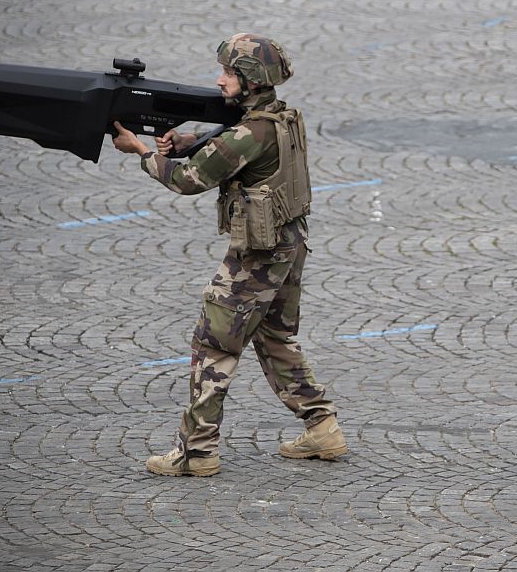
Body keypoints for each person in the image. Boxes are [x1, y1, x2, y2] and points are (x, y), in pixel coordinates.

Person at [111, 34, 347, 477]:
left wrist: (141, 152)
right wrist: (188, 140)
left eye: (229, 73)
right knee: (274, 335)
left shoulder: (248, 132)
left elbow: (188, 181)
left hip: (258, 253)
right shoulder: (279, 118)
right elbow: (232, 142)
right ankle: (322, 427)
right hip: (289, 244)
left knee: (212, 343)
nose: (220, 81)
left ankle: (197, 451)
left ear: (252, 80)